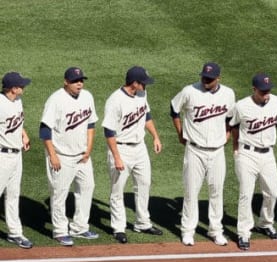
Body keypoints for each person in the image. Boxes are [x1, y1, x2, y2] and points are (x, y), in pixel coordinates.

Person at [171, 62, 235, 247]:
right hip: (194, 150)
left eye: (210, 78)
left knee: (216, 192)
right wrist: (180, 132)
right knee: (191, 192)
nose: (205, 81)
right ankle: (188, 231)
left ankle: (215, 231)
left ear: (218, 78)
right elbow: (174, 109)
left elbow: (231, 117)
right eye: (204, 77)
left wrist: (228, 134)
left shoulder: (228, 94)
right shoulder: (189, 91)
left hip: (217, 151)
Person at [102, 66, 163, 244]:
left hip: (140, 148)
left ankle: (142, 223)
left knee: (144, 184)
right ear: (134, 83)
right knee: (117, 190)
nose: (146, 86)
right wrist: (117, 157)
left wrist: (156, 137)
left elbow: (146, 116)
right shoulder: (115, 100)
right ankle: (118, 228)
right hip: (120, 149)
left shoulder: (142, 94)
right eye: (144, 83)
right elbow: (108, 132)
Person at [40, 67, 99, 246]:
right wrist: (52, 155)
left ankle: (80, 227)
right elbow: (44, 130)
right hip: (61, 156)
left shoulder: (87, 96)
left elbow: (91, 124)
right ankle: (59, 231)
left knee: (87, 187)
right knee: (59, 193)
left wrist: (88, 148)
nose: (79, 83)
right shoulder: (56, 100)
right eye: (75, 81)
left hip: (82, 155)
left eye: (81, 80)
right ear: (66, 82)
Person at [229, 73, 277, 251]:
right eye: (262, 92)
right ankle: (244, 232)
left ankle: (265, 223)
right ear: (254, 89)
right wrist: (235, 147)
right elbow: (233, 125)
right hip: (247, 155)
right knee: (246, 193)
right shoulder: (241, 106)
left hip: (268, 154)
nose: (266, 94)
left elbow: (276, 124)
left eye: (268, 91)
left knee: (273, 191)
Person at [0, 72, 33, 248]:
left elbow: (18, 122)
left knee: (13, 195)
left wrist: (24, 136)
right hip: (2, 157)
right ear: (13, 88)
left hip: (16, 155)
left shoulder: (17, 101)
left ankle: (15, 233)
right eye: (21, 85)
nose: (24, 87)